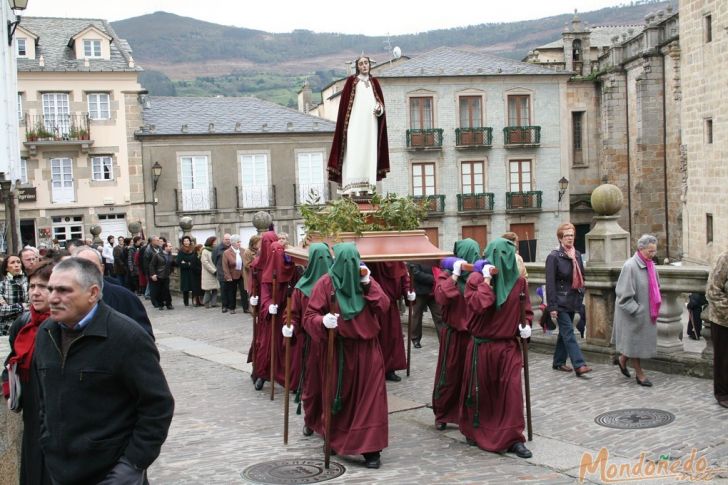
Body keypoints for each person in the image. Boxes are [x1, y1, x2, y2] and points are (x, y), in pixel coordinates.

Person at [34, 258, 174, 484]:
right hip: (61, 471)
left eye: (63, 290)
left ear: (93, 293)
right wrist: (48, 442)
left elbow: (158, 406)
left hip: (112, 473)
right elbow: (44, 398)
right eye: (50, 289)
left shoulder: (127, 337)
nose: (53, 298)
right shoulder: (45, 334)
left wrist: (132, 465)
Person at [303, 243, 390, 469]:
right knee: (337, 396)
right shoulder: (325, 284)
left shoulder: (365, 282)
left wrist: (369, 285)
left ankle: (371, 449)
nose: (350, 266)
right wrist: (321, 321)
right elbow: (310, 314)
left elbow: (384, 305)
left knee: (370, 399)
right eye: (346, 262)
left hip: (368, 351)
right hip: (339, 351)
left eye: (355, 261)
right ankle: (334, 437)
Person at [459, 238, 533, 459]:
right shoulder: (474, 279)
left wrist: (526, 326)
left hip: (508, 347)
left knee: (511, 393)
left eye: (506, 255)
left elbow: (526, 311)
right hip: (481, 347)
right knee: (481, 392)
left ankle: (512, 438)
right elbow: (478, 306)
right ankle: (476, 429)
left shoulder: (519, 283)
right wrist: (487, 281)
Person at [2, 259, 55, 485]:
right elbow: (12, 361)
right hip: (33, 415)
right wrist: (9, 388)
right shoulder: (22, 323)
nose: (35, 292)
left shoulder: (68, 324)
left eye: (43, 287)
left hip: (61, 421)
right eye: (32, 286)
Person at [432, 238, 480, 431]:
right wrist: (454, 276)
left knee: (471, 379)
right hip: (453, 336)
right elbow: (441, 296)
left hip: (473, 336)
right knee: (449, 375)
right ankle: (443, 413)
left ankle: (468, 415)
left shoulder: (479, 277)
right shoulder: (447, 276)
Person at [327, 55, 390, 195]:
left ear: (369, 65)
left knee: (369, 152)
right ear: (357, 67)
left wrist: (379, 109)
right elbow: (344, 107)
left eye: (366, 63)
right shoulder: (352, 82)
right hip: (354, 126)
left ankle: (368, 188)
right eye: (361, 64)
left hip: (370, 127)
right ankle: (352, 189)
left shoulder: (375, 83)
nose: (364, 66)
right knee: (354, 153)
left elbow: (380, 104)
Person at [289, 243, 333, 437]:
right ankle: (311, 419)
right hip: (311, 344)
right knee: (313, 385)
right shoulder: (301, 288)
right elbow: (293, 314)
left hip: (334, 343)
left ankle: (330, 423)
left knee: (332, 385)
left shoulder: (336, 283)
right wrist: (289, 325)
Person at [612, 234, 660, 387]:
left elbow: (656, 287)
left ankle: (622, 359)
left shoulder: (651, 265)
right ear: (641, 249)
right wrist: (637, 311)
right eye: (649, 251)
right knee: (635, 344)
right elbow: (623, 295)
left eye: (654, 251)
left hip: (645, 314)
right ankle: (640, 375)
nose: (652, 255)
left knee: (634, 343)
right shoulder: (630, 266)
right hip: (632, 314)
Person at [545, 223, 592, 377]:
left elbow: (582, 276)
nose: (570, 238)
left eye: (572, 235)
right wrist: (552, 306)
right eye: (566, 235)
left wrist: (581, 292)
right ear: (560, 238)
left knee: (564, 333)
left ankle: (558, 362)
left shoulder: (577, 254)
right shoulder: (553, 257)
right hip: (560, 301)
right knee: (569, 332)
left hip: (573, 299)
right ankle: (579, 364)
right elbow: (550, 283)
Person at [369, 262, 414, 381]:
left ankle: (390, 369)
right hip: (374, 306)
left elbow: (405, 279)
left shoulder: (397, 263)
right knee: (376, 338)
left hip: (391, 308)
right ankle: (375, 369)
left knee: (391, 338)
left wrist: (409, 292)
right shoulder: (373, 262)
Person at [706, 249, 728, 409]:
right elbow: (713, 292)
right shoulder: (724, 259)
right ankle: (722, 394)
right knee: (723, 359)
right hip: (722, 320)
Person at [408, 261, 444, 348]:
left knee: (439, 315)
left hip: (433, 291)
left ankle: (443, 340)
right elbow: (415, 273)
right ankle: (415, 339)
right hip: (420, 292)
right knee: (417, 316)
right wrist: (434, 278)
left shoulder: (433, 258)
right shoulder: (414, 257)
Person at [1, 255, 28, 336]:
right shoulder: (2, 285)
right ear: (6, 268)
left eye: (18, 262)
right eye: (12, 263)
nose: (16, 265)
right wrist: (21, 306)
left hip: (26, 325)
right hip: (7, 329)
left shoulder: (29, 282)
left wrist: (9, 307)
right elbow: (1, 310)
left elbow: (33, 305)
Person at [222, 235, 245, 314]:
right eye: (238, 242)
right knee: (232, 292)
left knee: (244, 291)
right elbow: (225, 266)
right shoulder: (226, 252)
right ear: (233, 243)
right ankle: (232, 308)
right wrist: (228, 276)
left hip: (242, 275)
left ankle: (245, 308)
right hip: (232, 275)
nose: (239, 243)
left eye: (240, 242)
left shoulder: (243, 250)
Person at [150, 241, 175, 310]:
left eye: (171, 246)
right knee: (159, 290)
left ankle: (169, 304)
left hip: (166, 275)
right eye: (170, 246)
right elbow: (152, 265)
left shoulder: (170, 255)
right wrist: (153, 274)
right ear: (165, 247)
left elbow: (172, 263)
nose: (171, 247)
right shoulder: (157, 255)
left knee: (167, 290)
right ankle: (160, 304)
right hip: (159, 275)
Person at [213, 233, 232, 313]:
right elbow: (214, 259)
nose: (228, 241)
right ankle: (224, 306)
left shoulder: (232, 247)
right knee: (223, 290)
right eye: (226, 239)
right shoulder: (217, 248)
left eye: (229, 239)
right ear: (223, 239)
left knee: (231, 290)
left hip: (231, 272)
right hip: (221, 272)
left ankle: (231, 305)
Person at [176, 236, 197, 307]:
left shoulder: (193, 250)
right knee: (186, 287)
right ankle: (186, 301)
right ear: (182, 242)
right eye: (184, 241)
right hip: (185, 272)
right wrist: (188, 264)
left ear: (190, 241)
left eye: (187, 241)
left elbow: (195, 260)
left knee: (194, 287)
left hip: (193, 271)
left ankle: (194, 300)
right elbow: (179, 262)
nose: (186, 242)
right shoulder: (181, 251)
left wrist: (186, 262)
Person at [201, 236, 219, 308]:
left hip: (215, 272)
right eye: (214, 242)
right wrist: (213, 270)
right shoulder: (205, 251)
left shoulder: (214, 250)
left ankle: (214, 303)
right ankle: (206, 303)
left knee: (215, 289)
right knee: (208, 290)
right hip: (208, 273)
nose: (215, 243)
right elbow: (205, 263)